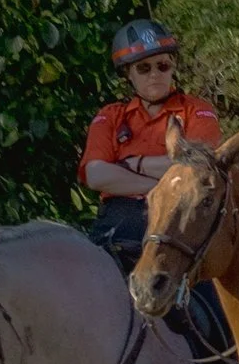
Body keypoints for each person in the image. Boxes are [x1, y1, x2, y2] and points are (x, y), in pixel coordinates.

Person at [79, 19, 221, 262]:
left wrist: (134, 164)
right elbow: (96, 175)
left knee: (209, 297)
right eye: (144, 68)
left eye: (162, 66)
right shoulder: (111, 116)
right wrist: (163, 185)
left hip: (180, 222)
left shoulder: (197, 111)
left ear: (172, 66)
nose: (155, 74)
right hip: (119, 223)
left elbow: (199, 167)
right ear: (128, 74)